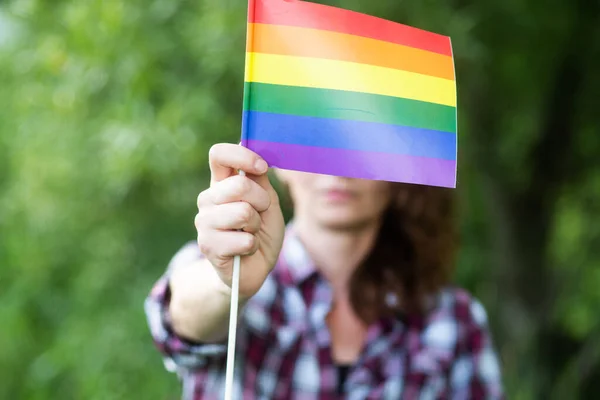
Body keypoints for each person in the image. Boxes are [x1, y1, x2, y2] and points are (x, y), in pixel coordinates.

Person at [144, 143, 504, 399]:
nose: (339, 167)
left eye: (364, 144)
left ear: (398, 171)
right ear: (279, 163)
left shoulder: (454, 320)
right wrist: (226, 284)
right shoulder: (226, 268)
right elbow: (180, 324)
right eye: (316, 140)